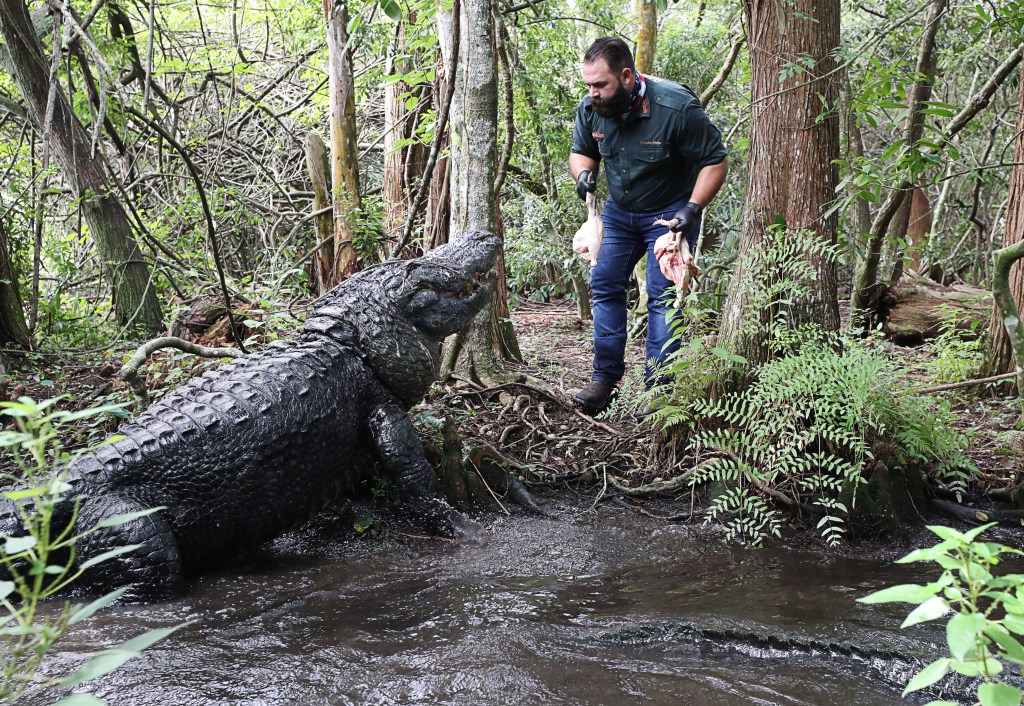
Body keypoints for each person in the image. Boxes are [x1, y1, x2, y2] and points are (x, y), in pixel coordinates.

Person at [569, 36, 729, 415]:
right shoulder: (591, 108)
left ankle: (659, 388)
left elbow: (715, 161)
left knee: (662, 296)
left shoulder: (675, 106)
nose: (593, 93)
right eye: (588, 85)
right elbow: (581, 154)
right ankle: (604, 380)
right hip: (619, 213)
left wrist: (692, 209)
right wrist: (583, 177)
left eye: (600, 85)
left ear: (626, 76)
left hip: (670, 214)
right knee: (605, 284)